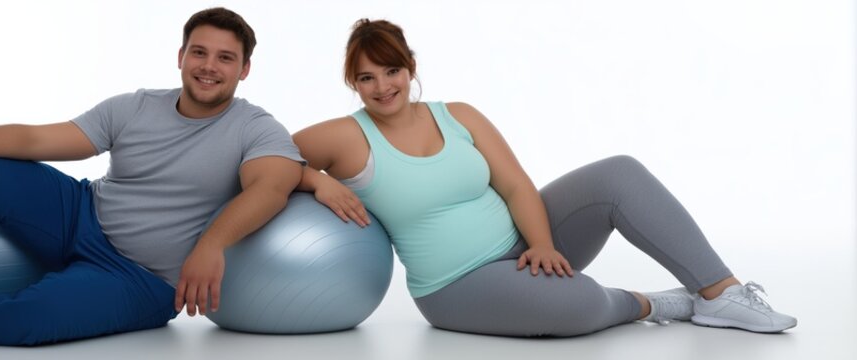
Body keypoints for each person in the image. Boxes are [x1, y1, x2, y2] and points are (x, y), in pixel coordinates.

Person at [0, 7, 303, 350]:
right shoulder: (134, 106)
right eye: (199, 52)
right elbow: (36, 141)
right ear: (181, 56)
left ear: (245, 69)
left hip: (140, 279)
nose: (208, 67)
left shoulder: (255, 127)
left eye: (224, 58)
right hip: (79, 214)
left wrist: (211, 244)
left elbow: (271, 186)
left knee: (29, 323)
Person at [293, 18, 796, 337]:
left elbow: (514, 185)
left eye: (391, 71)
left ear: (410, 67)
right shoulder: (342, 136)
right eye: (366, 77)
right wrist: (317, 181)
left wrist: (542, 245)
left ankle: (720, 294)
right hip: (456, 285)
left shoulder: (458, 114)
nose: (382, 87)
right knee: (577, 307)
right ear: (352, 83)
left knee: (619, 173)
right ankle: (654, 303)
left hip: (527, 247)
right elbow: (266, 160)